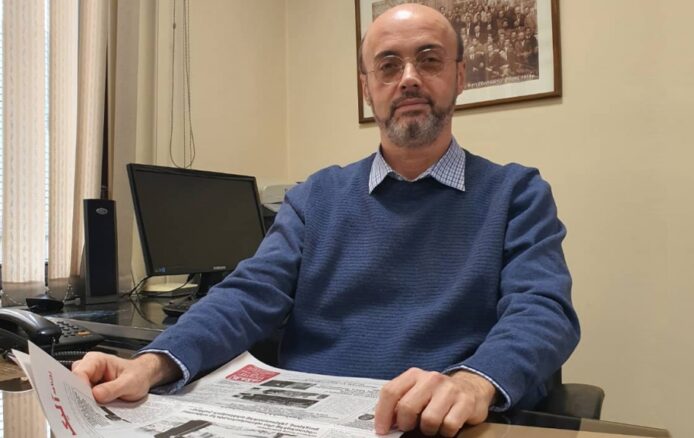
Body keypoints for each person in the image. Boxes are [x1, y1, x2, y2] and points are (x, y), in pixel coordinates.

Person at [72, 4, 579, 437]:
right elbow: (246, 295)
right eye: (388, 65)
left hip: (437, 426)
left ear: (460, 77)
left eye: (429, 60)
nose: (408, 78)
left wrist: (472, 382)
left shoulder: (516, 193)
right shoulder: (316, 196)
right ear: (367, 88)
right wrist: (151, 363)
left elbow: (542, 311)